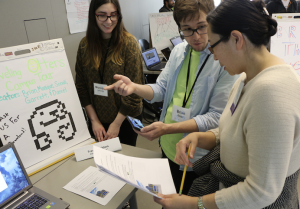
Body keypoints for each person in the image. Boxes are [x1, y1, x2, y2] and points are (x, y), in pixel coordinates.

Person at [154, 0, 300, 208]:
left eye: (213, 46)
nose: (213, 56)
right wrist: (202, 137)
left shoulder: (272, 94)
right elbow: (239, 130)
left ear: (236, 39)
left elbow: (261, 191)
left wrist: (195, 204)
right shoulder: (245, 78)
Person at [105, 0, 238, 195]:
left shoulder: (223, 59)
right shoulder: (179, 51)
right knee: (169, 197)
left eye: (201, 27)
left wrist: (166, 128)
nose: (196, 37)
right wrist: (134, 88)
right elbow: (161, 88)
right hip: (169, 145)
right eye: (187, 29)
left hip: (197, 155)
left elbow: (216, 117)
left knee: (189, 201)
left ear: (212, 21)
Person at [75, 0, 144, 146]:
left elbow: (135, 92)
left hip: (125, 120)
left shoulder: (129, 44)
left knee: (123, 163)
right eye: (102, 15)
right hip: (97, 120)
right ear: (93, 16)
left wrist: (116, 124)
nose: (109, 20)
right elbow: (81, 86)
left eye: (113, 15)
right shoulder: (84, 45)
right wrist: (94, 120)